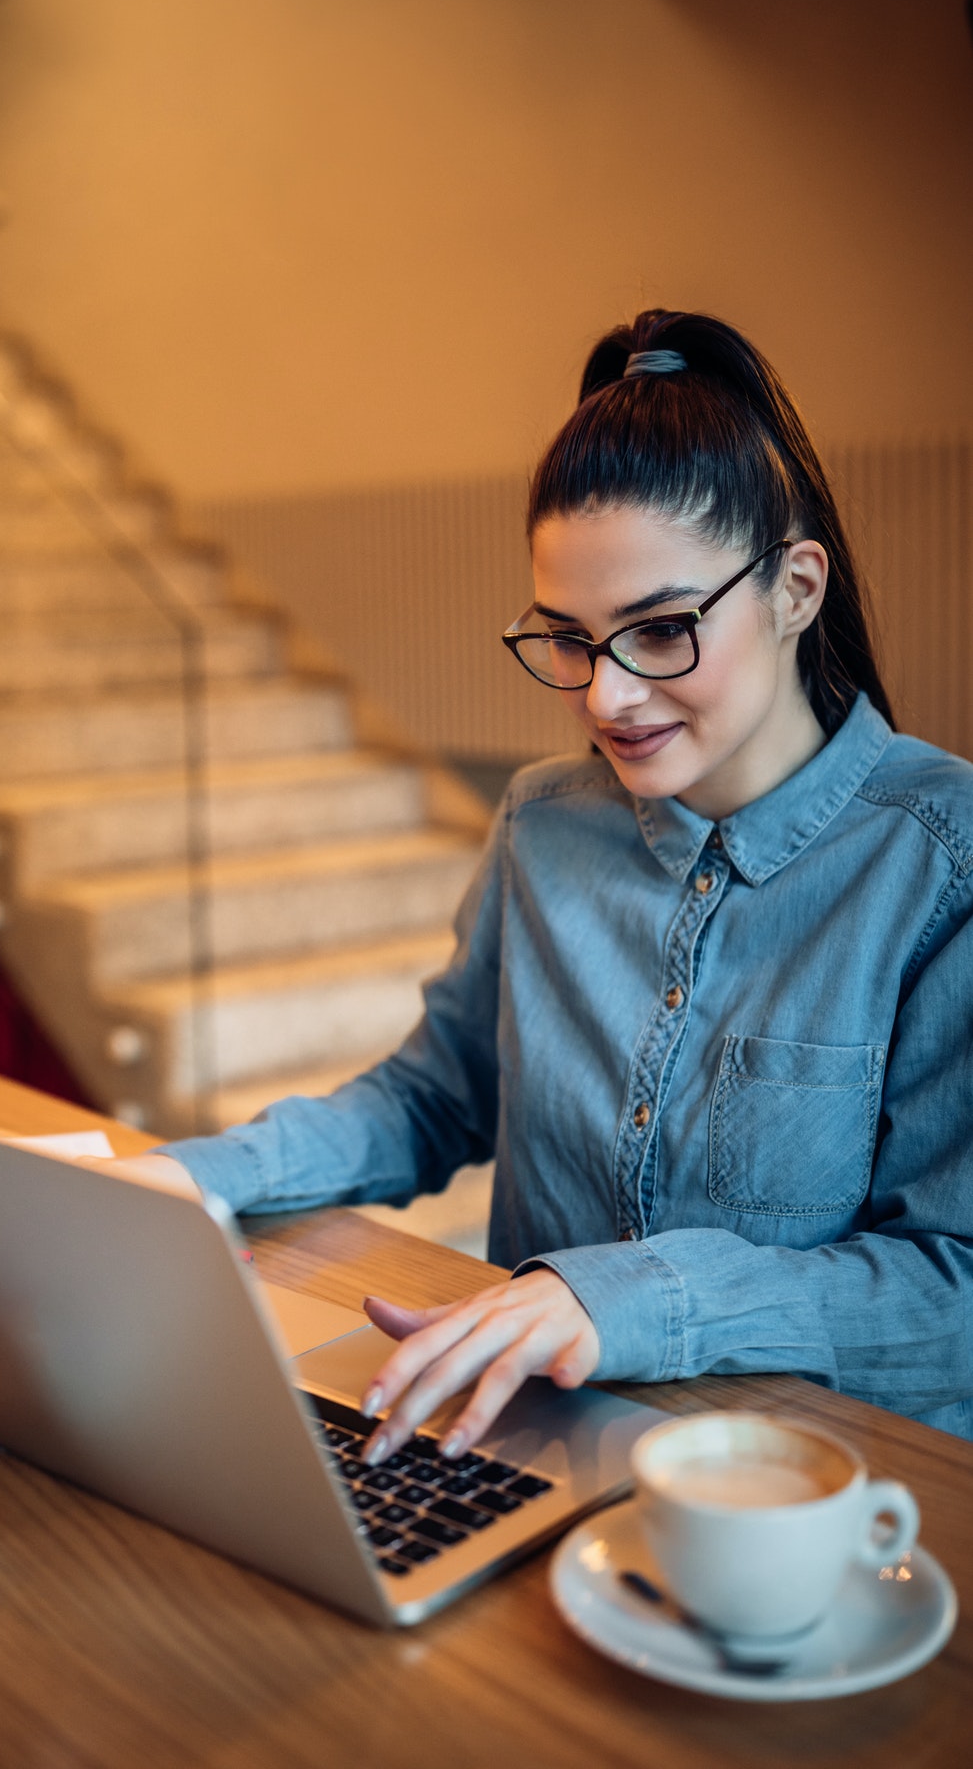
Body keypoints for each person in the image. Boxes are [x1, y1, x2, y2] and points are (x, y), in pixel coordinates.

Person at [114, 309, 973, 1454]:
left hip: (816, 1493)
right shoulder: (542, 824)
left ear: (796, 588)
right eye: (567, 637)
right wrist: (195, 1175)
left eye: (659, 629)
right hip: (531, 1440)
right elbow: (438, 1095)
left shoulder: (938, 861)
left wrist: (619, 1298)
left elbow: (948, 1287)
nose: (605, 698)